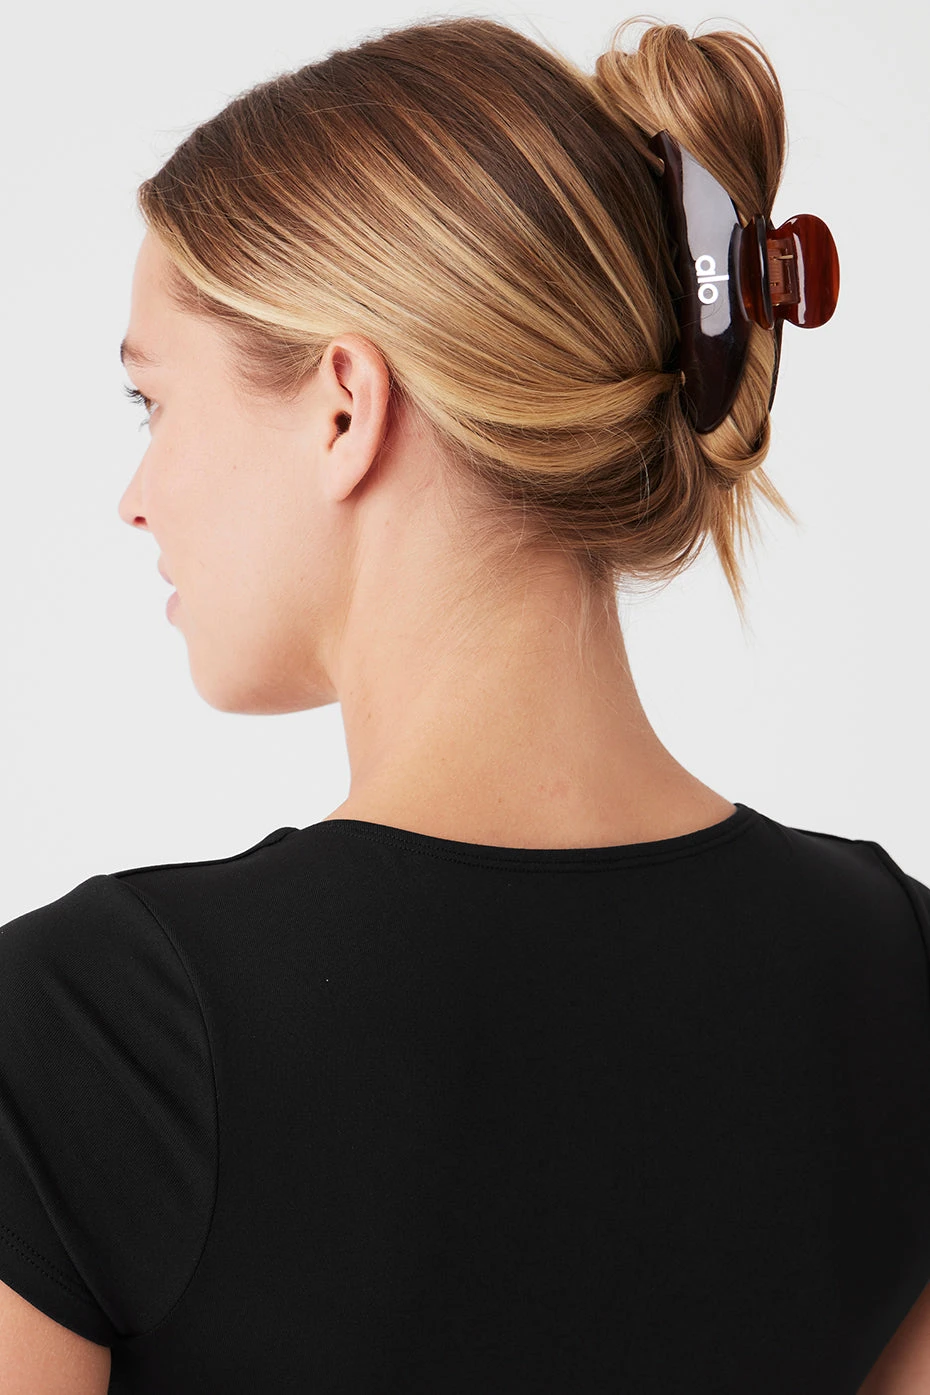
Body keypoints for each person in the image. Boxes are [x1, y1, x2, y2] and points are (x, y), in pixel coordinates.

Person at [0, 15, 926, 1395]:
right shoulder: (900, 978)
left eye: (153, 402)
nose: (135, 499)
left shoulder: (89, 1039)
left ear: (342, 407)